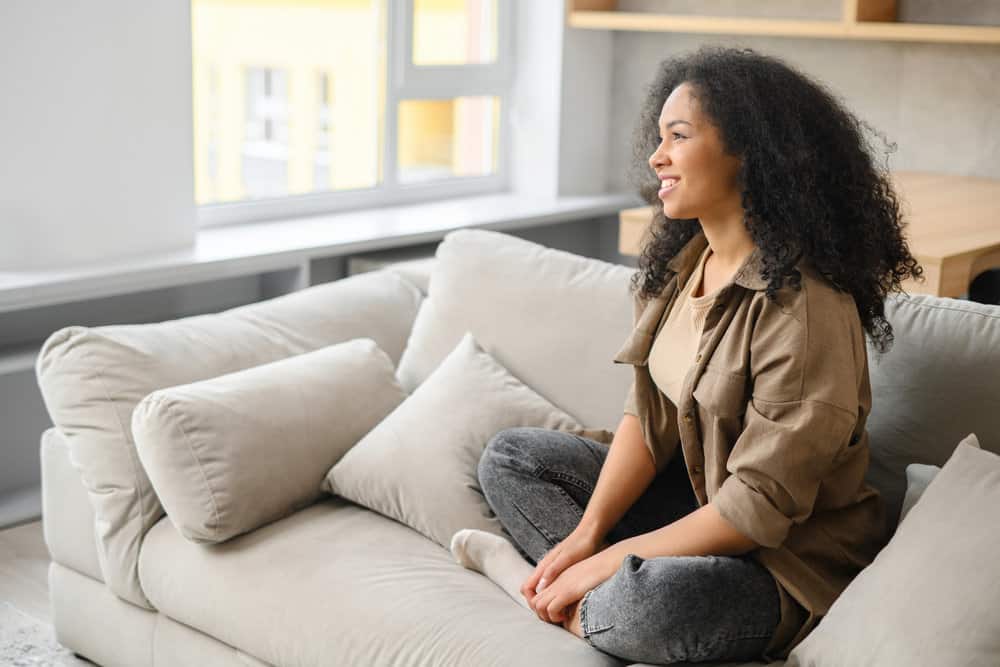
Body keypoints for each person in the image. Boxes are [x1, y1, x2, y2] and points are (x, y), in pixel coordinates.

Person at [475, 45, 923, 664]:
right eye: (658, 137)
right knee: (512, 458)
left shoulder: (806, 309)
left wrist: (604, 562)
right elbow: (649, 414)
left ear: (748, 151)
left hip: (784, 561)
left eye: (678, 136)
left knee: (654, 607)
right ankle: (587, 594)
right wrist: (587, 535)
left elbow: (756, 510)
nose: (656, 156)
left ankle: (562, 593)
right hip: (696, 502)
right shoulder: (680, 267)